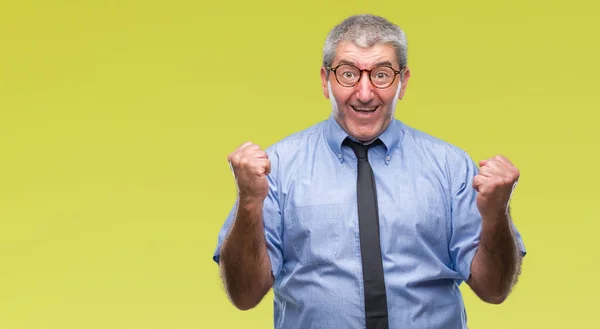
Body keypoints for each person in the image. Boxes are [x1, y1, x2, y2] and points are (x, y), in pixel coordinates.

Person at [212, 14, 526, 329]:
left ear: (402, 82)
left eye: (381, 74)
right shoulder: (277, 168)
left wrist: (496, 215)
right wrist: (249, 202)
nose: (364, 93)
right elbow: (244, 295)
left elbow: (494, 289)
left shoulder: (452, 167)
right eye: (348, 74)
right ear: (325, 81)